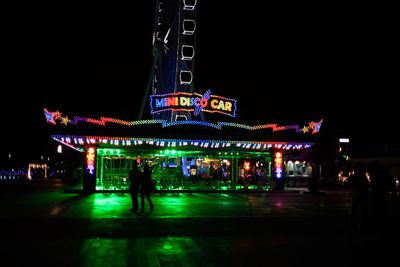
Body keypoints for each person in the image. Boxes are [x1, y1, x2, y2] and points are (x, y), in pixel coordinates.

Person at [368, 160, 393, 228]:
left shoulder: (377, 174)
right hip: (382, 193)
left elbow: (374, 184)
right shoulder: (384, 172)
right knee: (382, 209)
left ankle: (379, 224)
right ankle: (383, 224)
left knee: (378, 209)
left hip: (378, 193)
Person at [347, 162, 369, 232]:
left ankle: (353, 225)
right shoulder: (363, 177)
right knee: (362, 210)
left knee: (354, 211)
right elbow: (366, 185)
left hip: (356, 194)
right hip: (361, 195)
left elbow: (351, 185)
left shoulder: (354, 177)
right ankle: (362, 225)